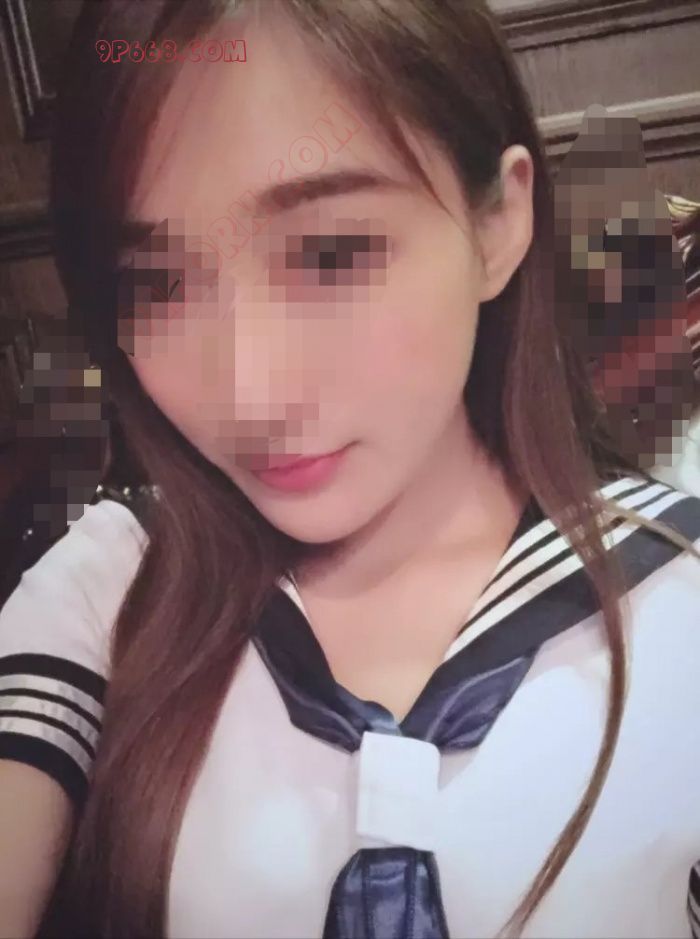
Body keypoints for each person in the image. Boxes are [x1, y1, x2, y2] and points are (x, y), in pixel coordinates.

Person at [0, 1, 698, 937]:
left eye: (332, 255)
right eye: (157, 284)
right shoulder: (110, 590)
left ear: (497, 222)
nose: (252, 393)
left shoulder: (680, 605)